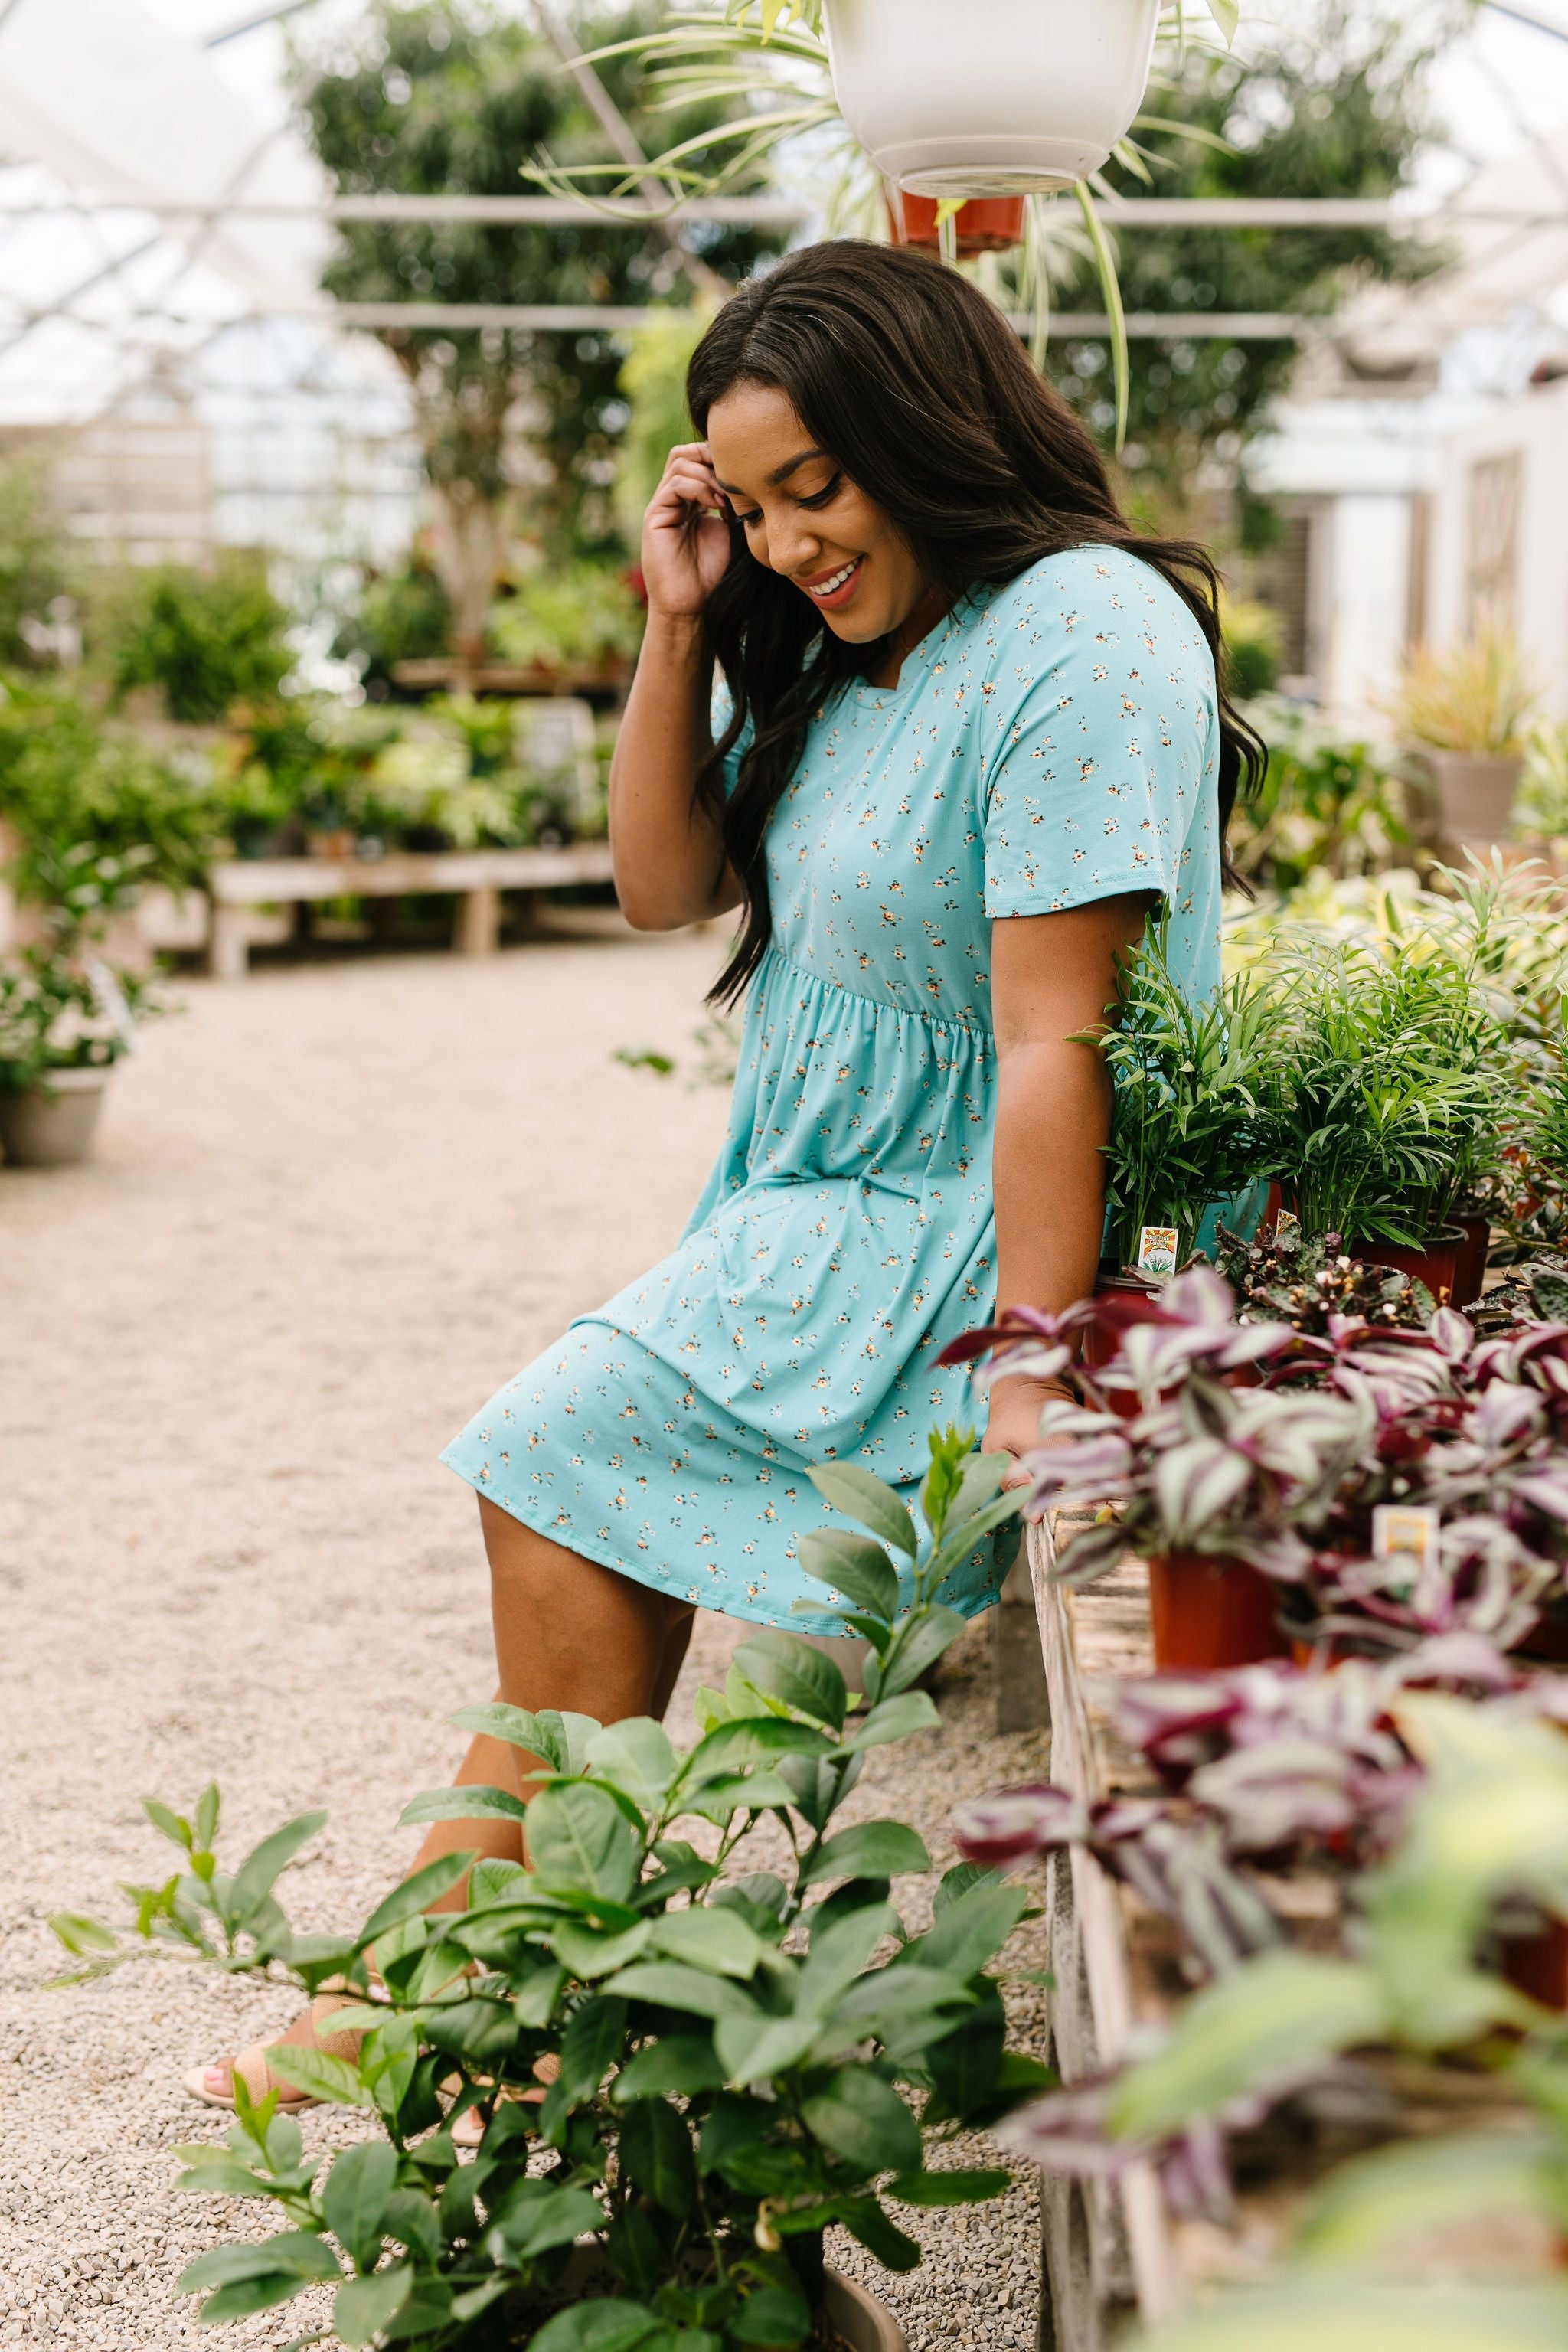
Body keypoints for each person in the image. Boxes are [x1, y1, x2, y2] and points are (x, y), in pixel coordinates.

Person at [191, 238, 1258, 2107]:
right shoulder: (867, 638)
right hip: (835, 1195)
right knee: (564, 1474)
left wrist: (1028, 1352)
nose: (783, 543)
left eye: (812, 491)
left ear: (926, 430)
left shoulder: (1077, 630)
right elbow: (661, 886)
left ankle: (440, 1987)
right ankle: (482, 1982)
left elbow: (1051, 1040)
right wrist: (680, 618)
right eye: (748, 504)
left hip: (975, 1214)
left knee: (559, 1439)